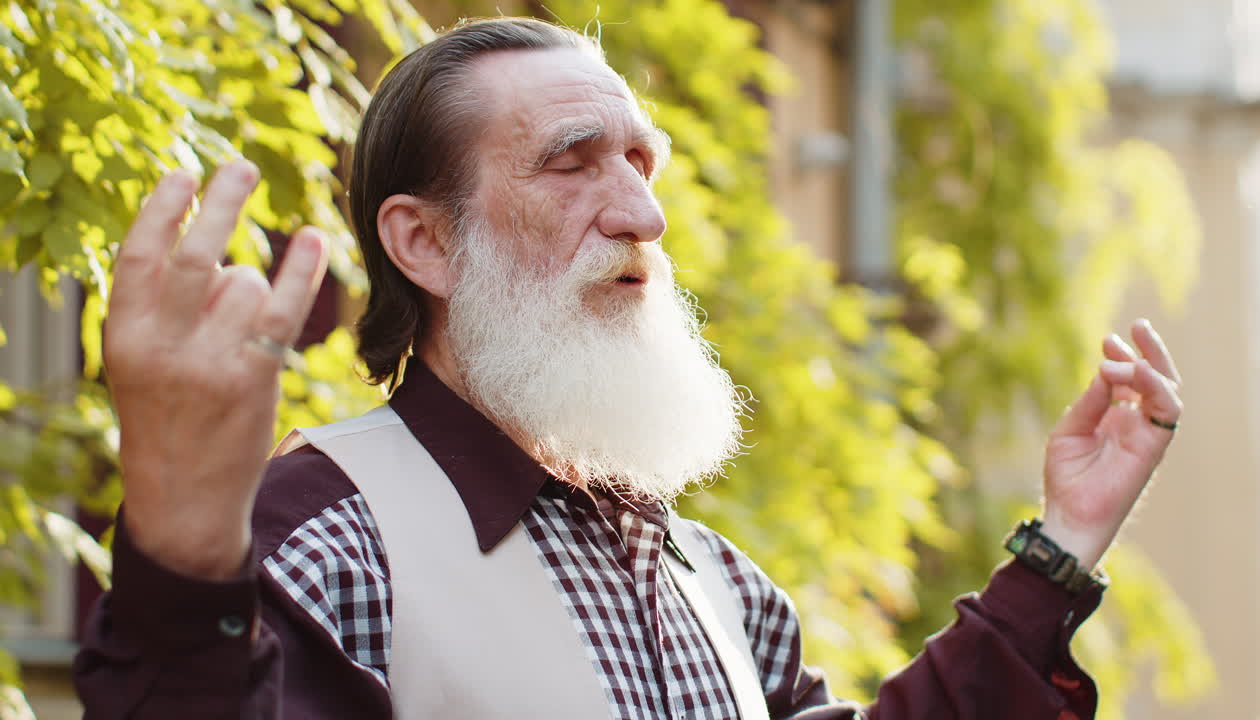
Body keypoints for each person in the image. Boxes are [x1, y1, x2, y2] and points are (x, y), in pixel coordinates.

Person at [74, 17, 1184, 720]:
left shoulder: (713, 581)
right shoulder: (327, 538)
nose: (644, 214)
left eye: (641, 163)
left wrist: (1060, 547)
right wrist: (179, 545)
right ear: (424, 244)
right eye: (572, 164)